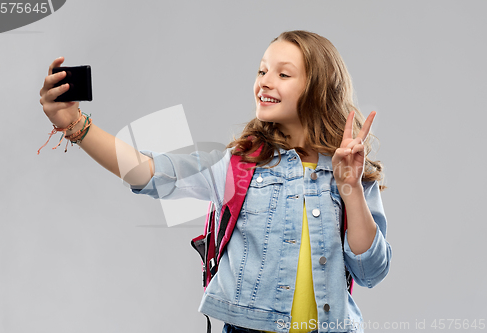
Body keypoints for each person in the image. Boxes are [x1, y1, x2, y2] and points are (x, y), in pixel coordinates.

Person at [39, 30, 392, 333]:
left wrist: (350, 188)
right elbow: (147, 171)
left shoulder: (351, 172)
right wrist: (76, 125)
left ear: (319, 88)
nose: (264, 81)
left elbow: (370, 271)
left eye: (283, 75)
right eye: (262, 70)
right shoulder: (238, 166)